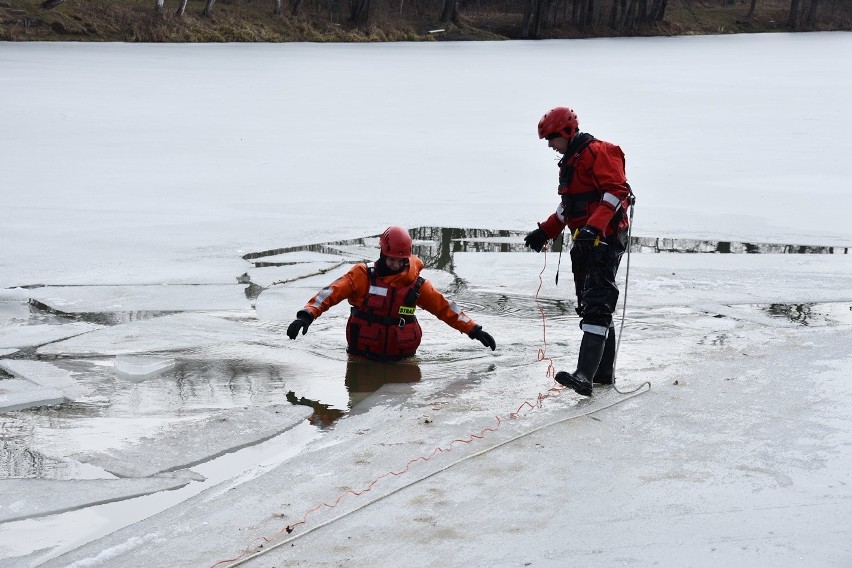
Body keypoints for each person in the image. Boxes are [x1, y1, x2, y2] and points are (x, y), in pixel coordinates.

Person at [523, 106, 633, 396]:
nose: (549, 145)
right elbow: (569, 208)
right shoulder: (570, 161)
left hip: (605, 239)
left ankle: (585, 375)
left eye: (551, 139)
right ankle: (603, 374)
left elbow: (615, 192)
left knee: (598, 301)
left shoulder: (599, 152)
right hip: (584, 242)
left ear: (567, 132)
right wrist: (544, 232)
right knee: (589, 305)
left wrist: (594, 228)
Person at [287, 226, 496, 359]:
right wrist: (307, 315)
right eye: (391, 259)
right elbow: (330, 293)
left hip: (403, 358)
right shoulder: (362, 275)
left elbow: (444, 308)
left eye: (400, 260)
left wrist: (474, 330)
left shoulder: (416, 284)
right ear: (382, 253)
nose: (396, 265)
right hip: (361, 357)